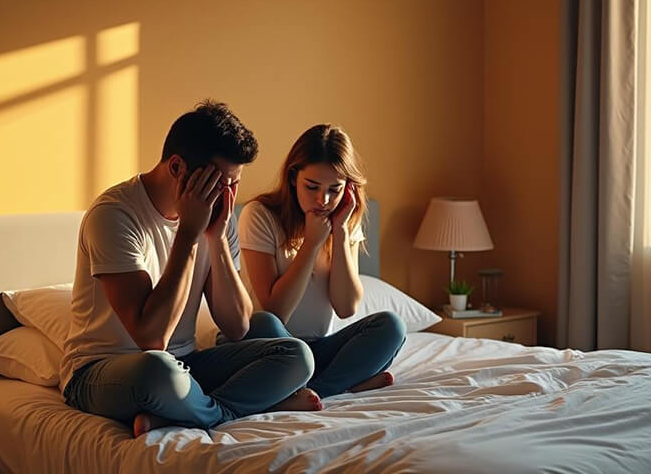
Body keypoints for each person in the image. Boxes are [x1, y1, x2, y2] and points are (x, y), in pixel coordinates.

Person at [60, 100, 320, 437]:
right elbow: (152, 338)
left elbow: (237, 325)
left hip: (187, 365)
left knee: (296, 354)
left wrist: (217, 238)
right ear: (177, 167)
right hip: (102, 371)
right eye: (218, 183)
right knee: (158, 369)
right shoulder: (114, 215)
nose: (227, 195)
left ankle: (193, 413)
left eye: (234, 184)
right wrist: (188, 234)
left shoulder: (218, 215)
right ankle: (240, 405)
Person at [238, 124, 406, 400]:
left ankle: (309, 392)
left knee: (391, 326)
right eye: (312, 186)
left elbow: (346, 307)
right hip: (271, 348)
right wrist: (312, 243)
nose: (323, 200)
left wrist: (339, 234)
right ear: (293, 177)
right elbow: (276, 310)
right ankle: (347, 383)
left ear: (347, 189)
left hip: (319, 348)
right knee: (263, 322)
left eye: (335, 189)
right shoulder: (260, 215)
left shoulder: (344, 221)